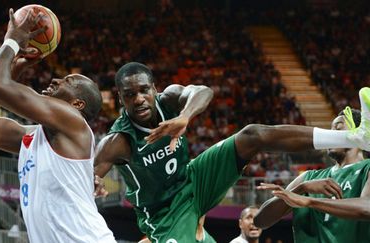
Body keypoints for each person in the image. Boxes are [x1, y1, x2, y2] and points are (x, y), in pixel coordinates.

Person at [94, 62, 370, 242]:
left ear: (154, 88)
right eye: (130, 95)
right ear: (121, 98)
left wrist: (185, 116)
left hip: (193, 181)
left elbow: (203, 91)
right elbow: (88, 173)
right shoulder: (118, 141)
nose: (139, 98)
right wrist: (93, 181)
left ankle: (352, 135)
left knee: (252, 135)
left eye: (144, 90)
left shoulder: (168, 100)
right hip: (163, 212)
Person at [0, 9, 115, 243]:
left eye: (68, 81)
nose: (55, 80)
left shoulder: (73, 121)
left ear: (77, 103)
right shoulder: (35, 137)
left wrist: (12, 41)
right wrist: (16, 68)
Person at [254, 107, 370, 243]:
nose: (330, 136)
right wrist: (301, 189)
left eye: (338, 129)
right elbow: (260, 221)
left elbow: (367, 208)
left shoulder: (366, 168)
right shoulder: (308, 178)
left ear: (359, 133)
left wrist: (310, 201)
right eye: (330, 131)